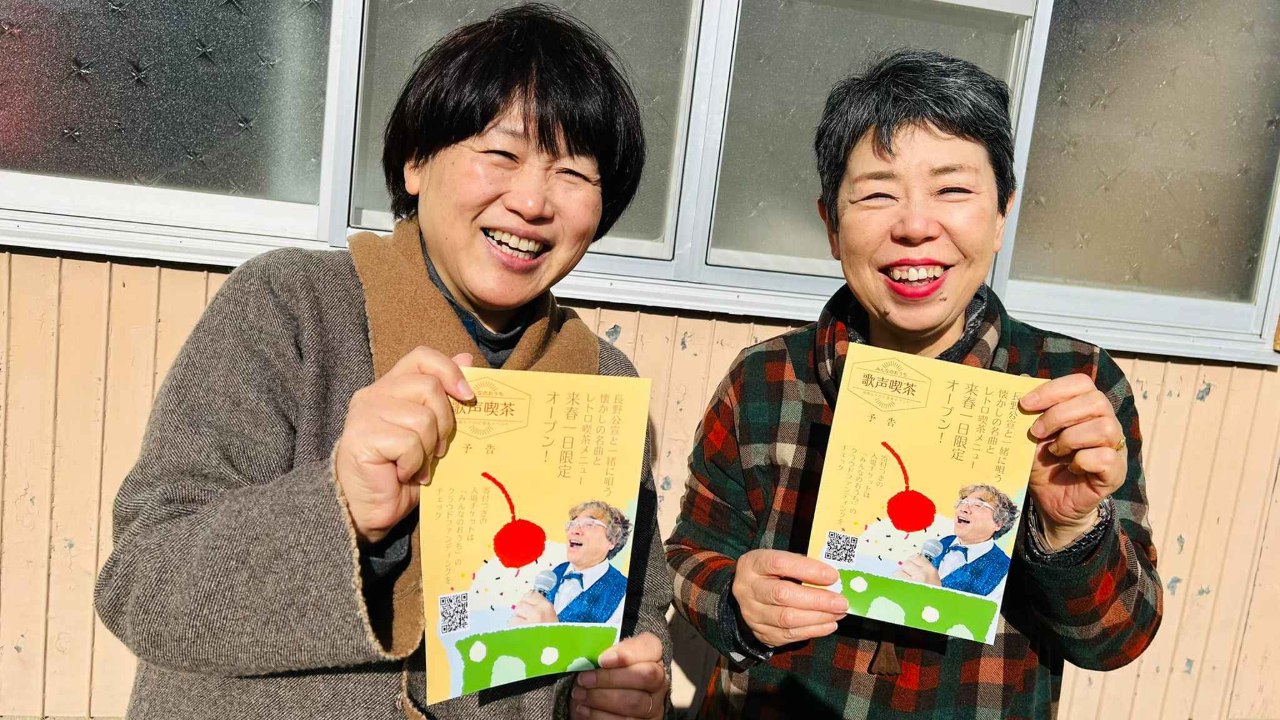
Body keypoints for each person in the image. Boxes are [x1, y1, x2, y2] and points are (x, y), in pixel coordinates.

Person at [95, 6, 671, 720]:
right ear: (416, 162)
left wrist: (618, 689)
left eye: (573, 173)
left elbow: (636, 609)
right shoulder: (292, 308)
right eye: (502, 154)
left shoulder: (603, 382)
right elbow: (142, 585)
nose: (531, 201)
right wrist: (341, 505)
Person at [666, 49, 1162, 718]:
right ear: (831, 225)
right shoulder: (765, 379)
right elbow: (690, 553)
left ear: (1001, 214)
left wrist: (1070, 528)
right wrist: (733, 599)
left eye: (952, 190)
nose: (915, 226)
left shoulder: (1072, 389)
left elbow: (1118, 640)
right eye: (877, 193)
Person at [513, 501, 632, 625]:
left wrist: (550, 632)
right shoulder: (553, 574)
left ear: (612, 541)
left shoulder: (623, 593)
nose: (575, 530)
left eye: (589, 524)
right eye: (572, 524)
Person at [895, 485, 1019, 597]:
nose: (963, 508)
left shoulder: (1005, 571)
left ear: (998, 523)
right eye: (963, 502)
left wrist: (934, 594)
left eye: (978, 505)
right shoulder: (941, 544)